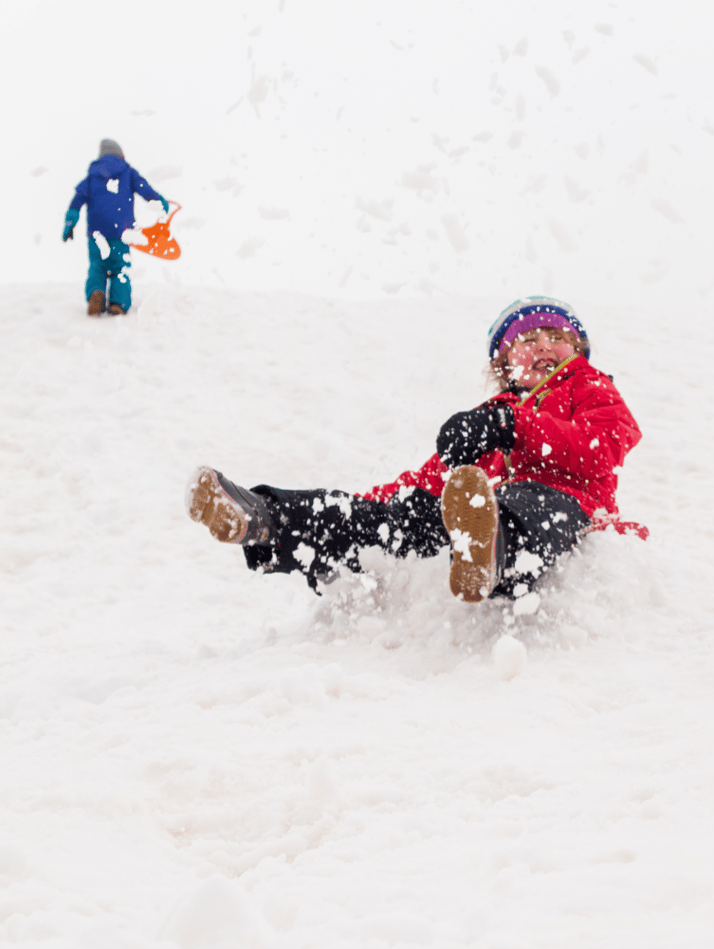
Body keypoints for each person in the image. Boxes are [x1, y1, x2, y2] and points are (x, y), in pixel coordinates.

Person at [186, 296, 644, 602]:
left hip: (569, 510)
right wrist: (375, 507)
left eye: (557, 337)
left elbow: (599, 448)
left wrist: (514, 425)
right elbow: (430, 483)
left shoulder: (589, 386)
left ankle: (491, 556)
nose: (544, 344)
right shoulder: (491, 416)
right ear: (503, 364)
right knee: (396, 516)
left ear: (578, 349)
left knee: (528, 502)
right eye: (527, 340)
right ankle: (266, 518)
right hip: (479, 513)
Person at [62, 139, 169, 316]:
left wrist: (69, 224)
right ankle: (118, 303)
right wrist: (161, 203)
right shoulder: (128, 172)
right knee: (120, 268)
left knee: (97, 266)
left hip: (96, 232)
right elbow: (145, 189)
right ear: (120, 154)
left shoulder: (91, 177)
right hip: (122, 231)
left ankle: (96, 292)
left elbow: (76, 202)